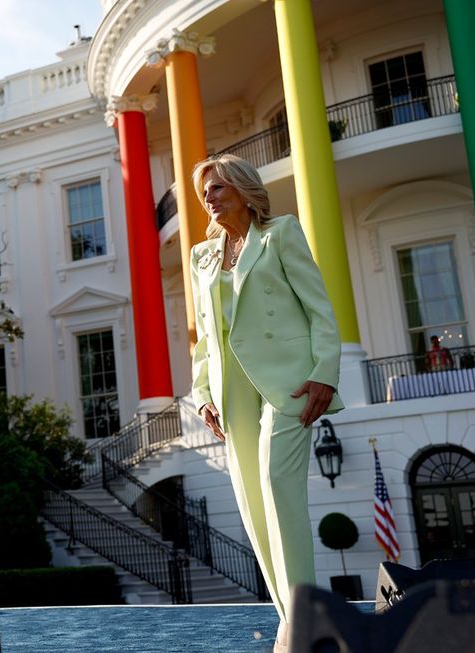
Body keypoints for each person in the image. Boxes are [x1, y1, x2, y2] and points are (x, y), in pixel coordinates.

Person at [188, 154, 344, 652]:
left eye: (216, 188)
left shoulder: (281, 234)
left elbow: (319, 307)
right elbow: (205, 336)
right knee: (252, 507)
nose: (208, 198)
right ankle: (292, 624)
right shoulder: (202, 256)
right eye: (204, 191)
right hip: (231, 386)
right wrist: (203, 392)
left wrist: (324, 373)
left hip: (289, 381)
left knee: (279, 485)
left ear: (242, 188)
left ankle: (304, 618)